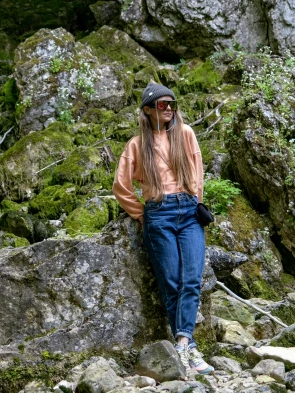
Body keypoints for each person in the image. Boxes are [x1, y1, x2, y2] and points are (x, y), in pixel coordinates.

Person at [112, 81, 214, 375]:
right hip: (157, 213)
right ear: (147, 110)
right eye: (161, 104)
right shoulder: (135, 144)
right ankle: (189, 349)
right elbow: (121, 187)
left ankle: (183, 344)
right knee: (171, 282)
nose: (168, 109)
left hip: (189, 211)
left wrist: (197, 203)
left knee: (191, 278)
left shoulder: (185, 134)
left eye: (171, 104)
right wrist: (142, 214)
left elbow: (198, 173)